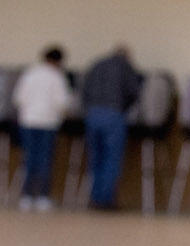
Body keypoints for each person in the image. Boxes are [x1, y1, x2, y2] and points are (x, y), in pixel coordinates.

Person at [82, 46, 142, 210]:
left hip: (92, 114)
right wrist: (125, 109)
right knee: (111, 159)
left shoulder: (96, 64)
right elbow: (134, 92)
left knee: (95, 158)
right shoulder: (125, 66)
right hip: (113, 114)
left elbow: (84, 90)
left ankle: (94, 197)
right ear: (127, 56)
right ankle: (105, 200)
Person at [12, 46, 71, 212]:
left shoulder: (30, 74)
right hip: (48, 123)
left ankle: (26, 196)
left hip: (28, 121)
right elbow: (63, 103)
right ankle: (43, 197)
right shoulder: (57, 77)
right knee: (45, 160)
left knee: (29, 158)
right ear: (59, 61)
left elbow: (18, 99)